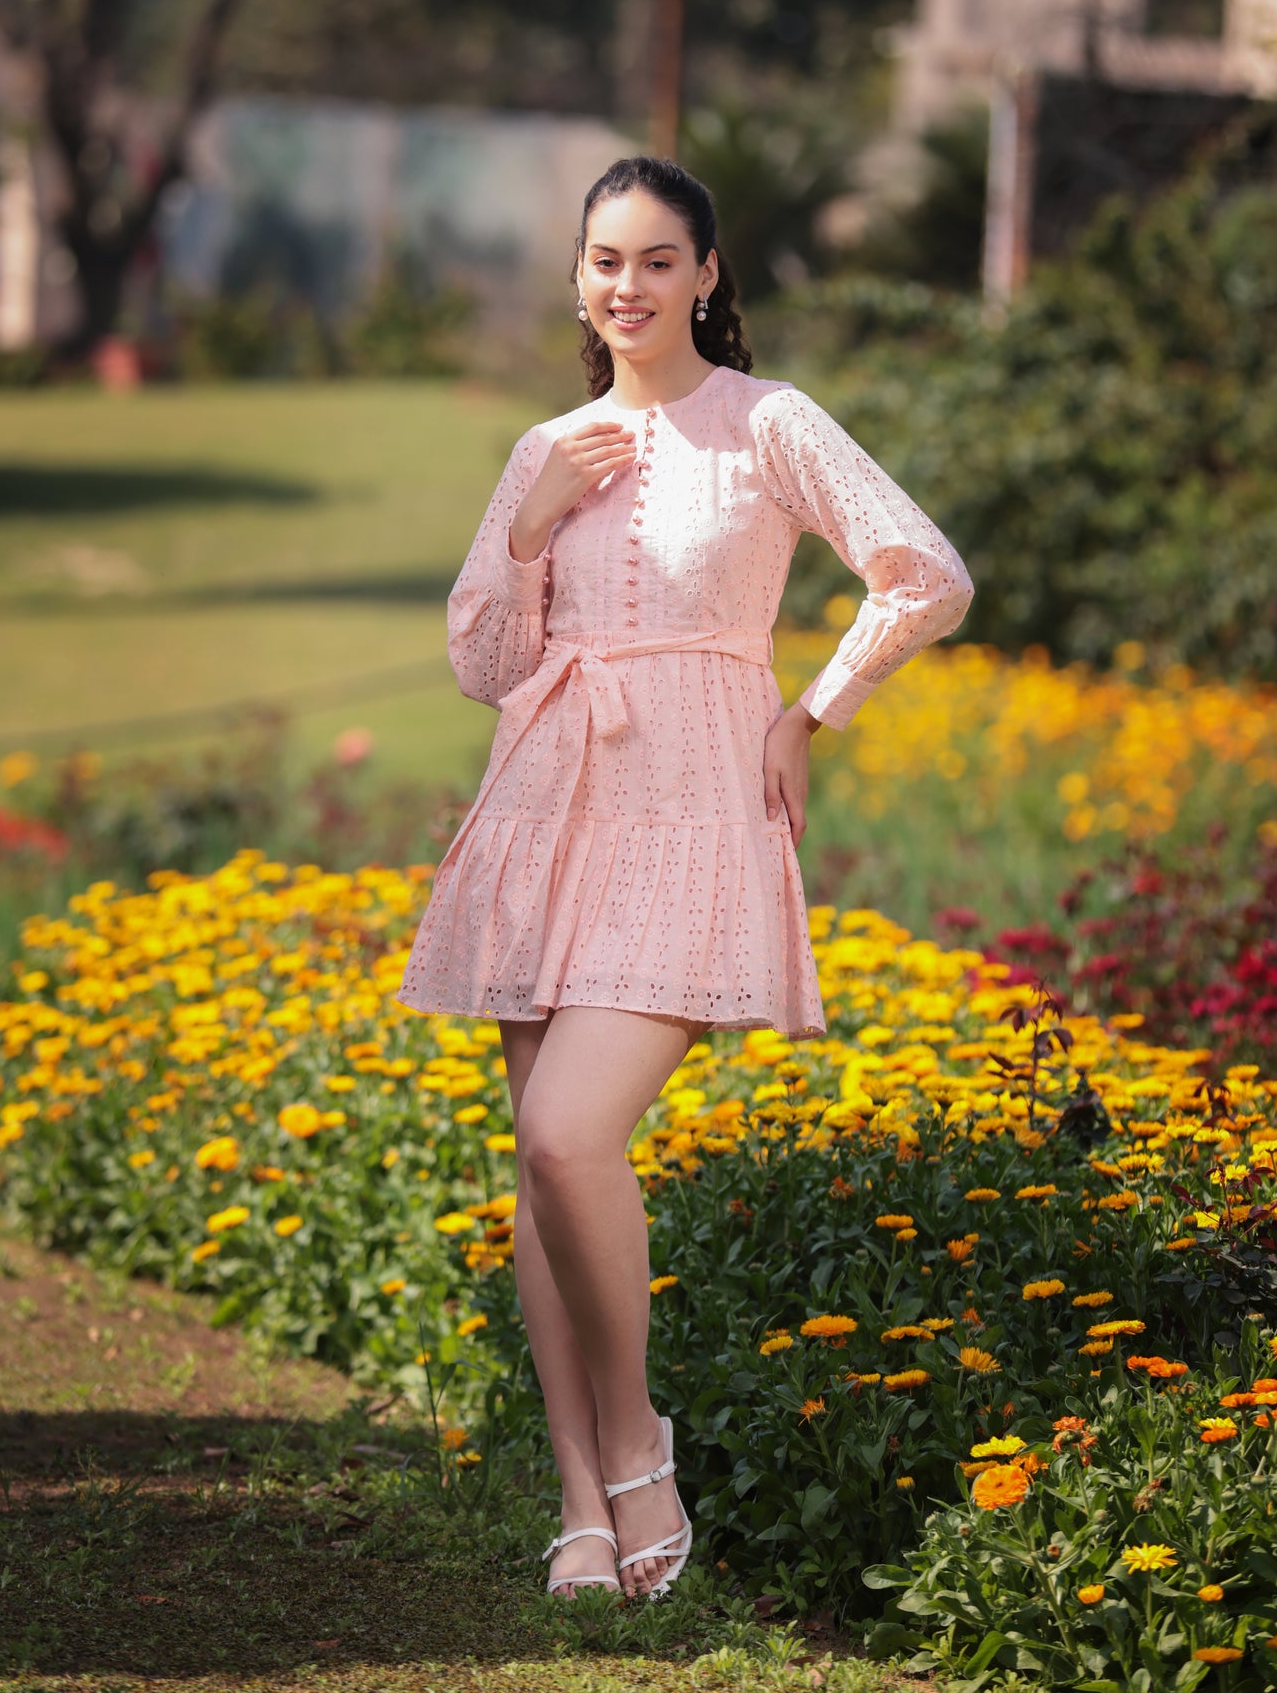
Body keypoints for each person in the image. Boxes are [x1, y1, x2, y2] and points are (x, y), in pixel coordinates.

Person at [398, 155, 974, 1602]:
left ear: (707, 276)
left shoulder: (768, 422)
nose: (630, 286)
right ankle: (581, 1506)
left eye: (659, 259)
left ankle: (636, 1445)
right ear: (577, 278)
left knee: (570, 1133)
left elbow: (924, 572)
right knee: (541, 1167)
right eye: (606, 260)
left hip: (695, 805)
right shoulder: (545, 446)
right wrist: (530, 521)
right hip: (546, 804)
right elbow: (486, 664)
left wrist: (810, 711)